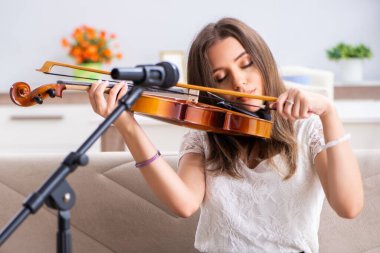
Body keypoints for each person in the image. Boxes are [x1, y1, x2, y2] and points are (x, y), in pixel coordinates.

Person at [87, 17, 363, 253]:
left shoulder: (307, 126)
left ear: (263, 59)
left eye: (246, 64)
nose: (240, 82)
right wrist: (127, 126)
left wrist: (329, 113)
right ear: (208, 88)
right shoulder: (205, 135)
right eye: (221, 77)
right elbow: (183, 204)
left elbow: (348, 207)